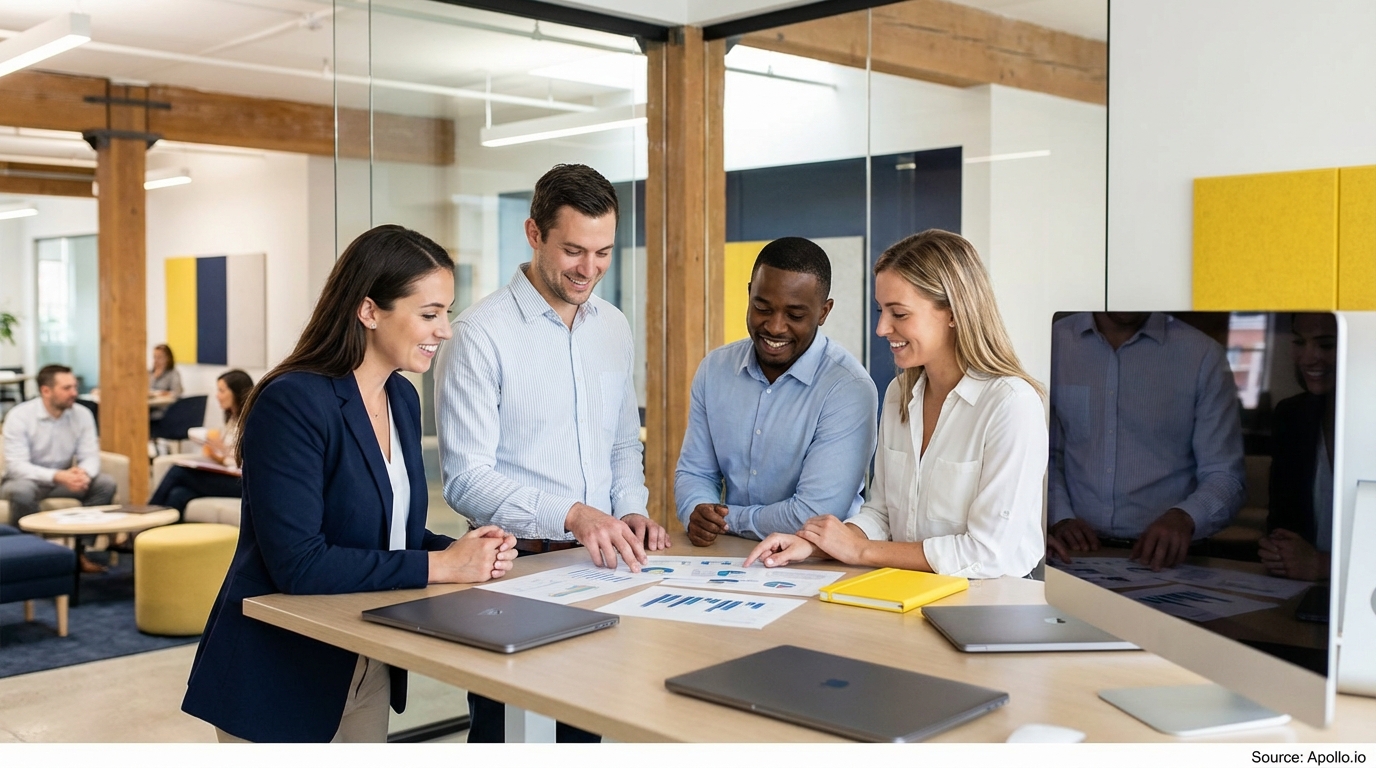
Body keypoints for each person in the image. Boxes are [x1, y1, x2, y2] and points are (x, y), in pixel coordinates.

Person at [182, 225, 518, 743]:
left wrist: (467, 552)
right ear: (369, 311)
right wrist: (443, 566)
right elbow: (299, 562)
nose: (445, 331)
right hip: (280, 669)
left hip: (365, 659)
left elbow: (389, 534)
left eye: (447, 313)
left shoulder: (402, 398)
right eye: (430, 314)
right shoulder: (291, 402)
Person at [436, 163, 668, 743]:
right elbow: (466, 479)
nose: (589, 268)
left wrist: (630, 509)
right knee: (512, 735)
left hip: (605, 566)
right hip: (516, 568)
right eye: (573, 250)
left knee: (593, 730)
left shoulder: (613, 327)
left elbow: (621, 442)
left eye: (604, 252)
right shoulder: (478, 334)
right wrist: (572, 514)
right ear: (534, 234)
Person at [745, 229, 1047, 579]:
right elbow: (882, 515)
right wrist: (817, 545)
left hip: (990, 601)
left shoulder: (1011, 405)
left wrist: (861, 551)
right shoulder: (899, 393)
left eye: (899, 314)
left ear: (953, 313)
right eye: (881, 310)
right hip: (906, 589)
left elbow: (987, 553)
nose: (881, 328)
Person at [675, 236, 877, 545]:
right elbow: (695, 472)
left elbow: (814, 514)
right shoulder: (715, 370)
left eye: (795, 315)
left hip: (815, 560)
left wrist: (726, 519)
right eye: (762, 308)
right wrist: (697, 509)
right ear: (749, 294)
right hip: (727, 554)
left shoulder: (848, 389)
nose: (775, 327)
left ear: (823, 312)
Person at [1045, 312, 1246, 571]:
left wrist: (1185, 517)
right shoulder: (1053, 342)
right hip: (1074, 552)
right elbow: (1045, 456)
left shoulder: (1201, 354)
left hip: (1170, 558)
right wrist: (1060, 517)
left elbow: (1225, 474)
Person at [1, 364, 118, 571]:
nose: (74, 393)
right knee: (21, 491)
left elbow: (90, 456)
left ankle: (80, 553)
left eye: (75, 386)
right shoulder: (19, 416)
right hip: (26, 480)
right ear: (46, 391)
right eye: (67, 388)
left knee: (104, 484)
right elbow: (17, 466)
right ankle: (31, 558)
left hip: (63, 481)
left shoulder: (82, 414)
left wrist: (83, 474)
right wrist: (58, 476)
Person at [1260, 313, 1337, 581]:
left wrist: (1322, 565)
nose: (1307, 358)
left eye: (1326, 345)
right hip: (1302, 592)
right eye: (1299, 342)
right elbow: (1281, 522)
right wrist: (1278, 551)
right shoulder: (1291, 415)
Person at [148, 369, 253, 519]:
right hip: (229, 476)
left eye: (222, 391)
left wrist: (222, 451)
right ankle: (157, 531)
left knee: (178, 471)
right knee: (178, 494)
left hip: (242, 484)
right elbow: (226, 458)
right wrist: (215, 451)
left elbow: (246, 463)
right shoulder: (232, 419)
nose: (217, 395)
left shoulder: (251, 422)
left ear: (236, 392)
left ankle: (145, 517)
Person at [149, 343, 183, 420]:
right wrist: (155, 377)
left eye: (159, 357)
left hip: (165, 410)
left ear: (167, 359)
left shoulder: (173, 373)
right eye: (155, 357)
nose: (156, 360)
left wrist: (167, 393)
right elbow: (145, 390)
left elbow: (177, 392)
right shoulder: (151, 373)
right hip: (150, 407)